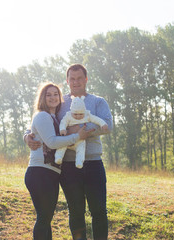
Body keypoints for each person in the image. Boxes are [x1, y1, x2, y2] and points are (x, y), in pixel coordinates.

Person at [25, 64, 113, 240]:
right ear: (67, 81)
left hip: (94, 163)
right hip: (68, 166)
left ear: (86, 79)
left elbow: (107, 125)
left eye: (80, 78)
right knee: (76, 212)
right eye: (72, 79)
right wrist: (26, 136)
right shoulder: (61, 103)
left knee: (99, 211)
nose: (76, 82)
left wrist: (77, 130)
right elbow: (41, 121)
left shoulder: (98, 101)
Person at [24, 82, 91, 240]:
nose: (53, 97)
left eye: (56, 94)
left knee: (46, 218)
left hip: (51, 173)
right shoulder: (42, 115)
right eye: (48, 95)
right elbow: (52, 142)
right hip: (40, 172)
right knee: (43, 218)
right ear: (43, 98)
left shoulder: (55, 117)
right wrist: (77, 137)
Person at [55, 95, 108, 169]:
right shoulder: (68, 115)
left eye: (81, 114)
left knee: (81, 148)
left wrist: (103, 124)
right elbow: (63, 122)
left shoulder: (87, 115)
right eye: (75, 114)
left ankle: (79, 161)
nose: (78, 116)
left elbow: (96, 119)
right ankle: (58, 157)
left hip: (80, 140)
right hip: (68, 138)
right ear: (71, 111)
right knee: (62, 145)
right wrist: (62, 129)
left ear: (84, 111)